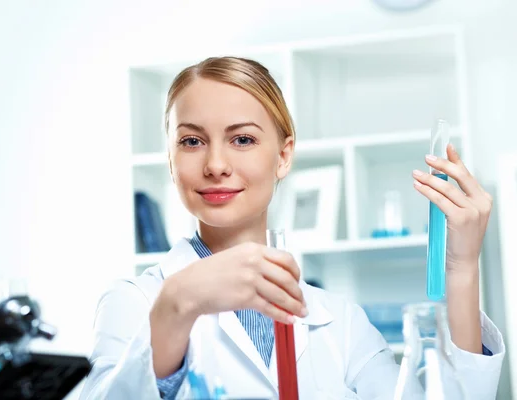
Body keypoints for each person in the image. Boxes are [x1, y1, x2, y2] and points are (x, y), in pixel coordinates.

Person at [79, 56, 505, 399]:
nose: (215, 165)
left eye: (242, 139)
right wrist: (177, 304)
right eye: (191, 141)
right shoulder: (135, 303)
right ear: (170, 159)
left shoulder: (340, 323)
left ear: (283, 156)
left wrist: (463, 268)